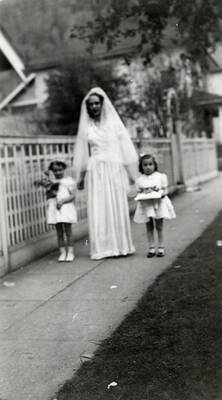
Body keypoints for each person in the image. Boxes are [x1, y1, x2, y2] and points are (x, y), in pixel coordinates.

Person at [73, 87, 138, 260]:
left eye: (97, 103)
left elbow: (125, 149)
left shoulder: (114, 124)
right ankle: (102, 248)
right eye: (91, 104)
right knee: (99, 207)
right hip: (96, 170)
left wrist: (131, 174)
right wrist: (81, 176)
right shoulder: (87, 126)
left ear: (102, 104)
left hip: (114, 167)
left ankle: (121, 246)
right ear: (88, 107)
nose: (94, 106)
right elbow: (84, 154)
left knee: (116, 205)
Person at [134, 154, 176, 257]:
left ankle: (161, 247)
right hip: (146, 204)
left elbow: (165, 189)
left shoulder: (160, 177)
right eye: (145, 165)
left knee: (159, 226)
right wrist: (143, 192)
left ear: (154, 165)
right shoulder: (140, 180)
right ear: (141, 167)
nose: (148, 167)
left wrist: (162, 193)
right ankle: (151, 247)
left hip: (158, 203)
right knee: (149, 226)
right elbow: (138, 192)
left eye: (150, 164)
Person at [35, 160, 77, 262]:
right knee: (59, 232)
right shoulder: (50, 181)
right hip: (55, 208)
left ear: (64, 169)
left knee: (68, 231)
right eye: (55, 170)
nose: (57, 172)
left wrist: (62, 201)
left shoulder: (68, 181)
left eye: (60, 170)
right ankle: (62, 253)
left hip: (66, 207)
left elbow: (73, 196)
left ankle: (70, 252)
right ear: (52, 171)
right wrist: (49, 186)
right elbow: (49, 196)